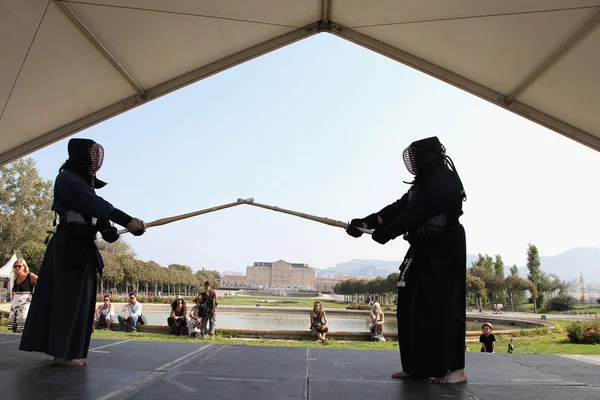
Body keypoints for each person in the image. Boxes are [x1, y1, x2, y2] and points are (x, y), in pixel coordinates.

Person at [346, 136, 468, 384]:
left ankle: (456, 369)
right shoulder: (419, 186)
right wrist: (366, 222)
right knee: (411, 304)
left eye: (415, 157)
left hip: (445, 249)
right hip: (421, 247)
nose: (412, 162)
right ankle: (418, 366)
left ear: (428, 156)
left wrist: (388, 232)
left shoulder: (445, 180)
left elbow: (415, 213)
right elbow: (398, 208)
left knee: (445, 305)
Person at [19, 138, 146, 366]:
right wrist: (128, 220)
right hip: (69, 246)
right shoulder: (67, 179)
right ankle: (61, 353)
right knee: (67, 301)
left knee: (81, 303)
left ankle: (70, 350)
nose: (95, 159)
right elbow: (95, 205)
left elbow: (95, 214)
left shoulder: (81, 182)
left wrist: (108, 230)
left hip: (82, 245)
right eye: (91, 154)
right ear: (80, 155)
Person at [8, 258, 37, 331]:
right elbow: (14, 290)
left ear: (24, 266)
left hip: (25, 303)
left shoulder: (30, 275)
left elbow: (41, 283)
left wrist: (33, 295)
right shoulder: (16, 277)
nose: (17, 268)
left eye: (19, 266)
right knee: (14, 326)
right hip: (15, 304)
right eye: (15, 266)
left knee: (23, 324)